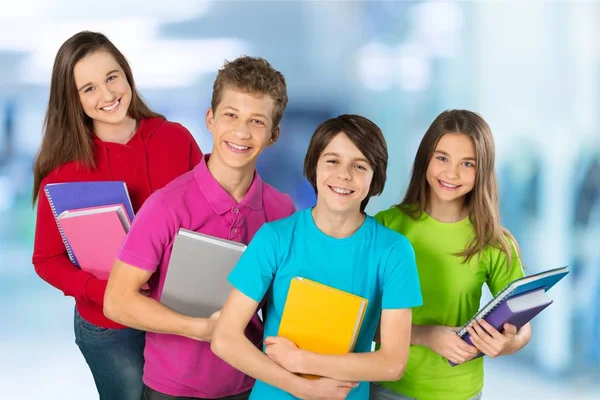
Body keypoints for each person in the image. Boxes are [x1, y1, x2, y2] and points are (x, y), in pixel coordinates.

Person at [103, 56, 296, 400]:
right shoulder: (167, 205)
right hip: (172, 389)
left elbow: (281, 304)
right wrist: (201, 329)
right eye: (231, 116)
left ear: (273, 135)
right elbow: (117, 301)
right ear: (210, 119)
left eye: (256, 121)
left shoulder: (282, 210)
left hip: (250, 384)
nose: (241, 132)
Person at [32, 31, 202, 400]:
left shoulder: (175, 139)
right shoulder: (64, 174)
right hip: (110, 325)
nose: (107, 96)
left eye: (111, 78)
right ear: (73, 100)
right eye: (89, 88)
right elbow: (46, 260)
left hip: (176, 313)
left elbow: (206, 216)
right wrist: (102, 290)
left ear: (126, 74)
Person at [212, 114, 423, 400]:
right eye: (332, 161)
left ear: (375, 179)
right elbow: (225, 339)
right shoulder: (275, 238)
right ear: (314, 167)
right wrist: (303, 387)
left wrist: (303, 361)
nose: (344, 174)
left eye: (359, 166)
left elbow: (392, 363)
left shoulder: (394, 251)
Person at [371, 110, 532, 400]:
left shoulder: (495, 241)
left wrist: (506, 344)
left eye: (467, 163)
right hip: (390, 387)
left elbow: (523, 329)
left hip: (462, 392)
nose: (452, 173)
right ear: (425, 160)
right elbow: (362, 322)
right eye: (442, 158)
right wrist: (428, 336)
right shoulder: (386, 226)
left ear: (482, 170)